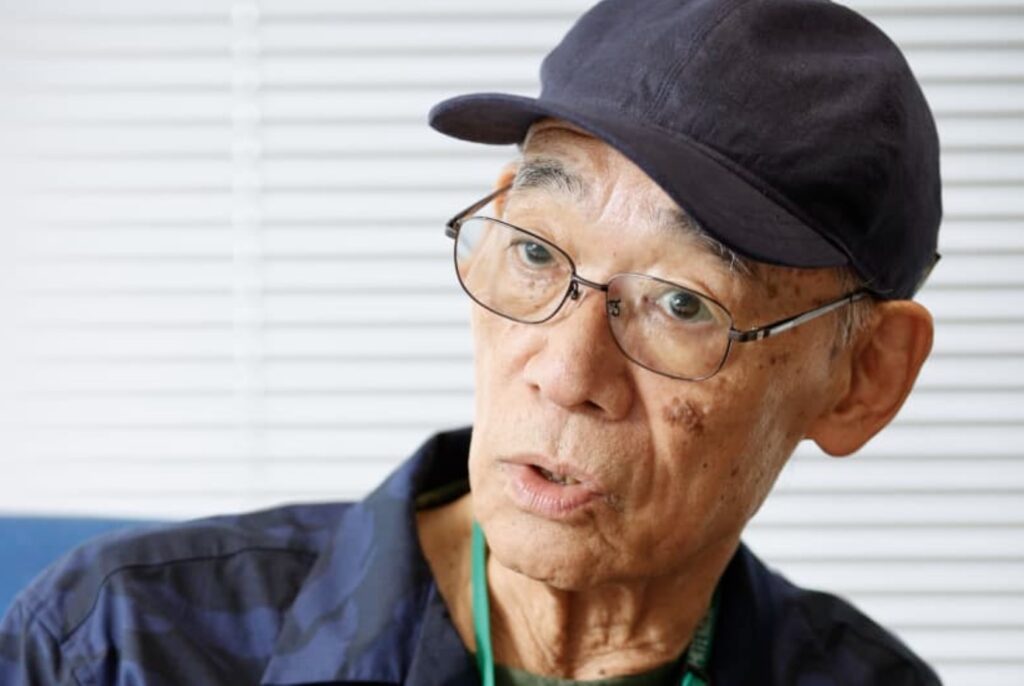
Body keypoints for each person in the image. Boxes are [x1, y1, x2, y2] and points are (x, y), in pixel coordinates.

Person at [0, 0, 944, 684]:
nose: (565, 372)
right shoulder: (118, 646)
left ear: (865, 378)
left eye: (683, 303)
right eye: (535, 252)